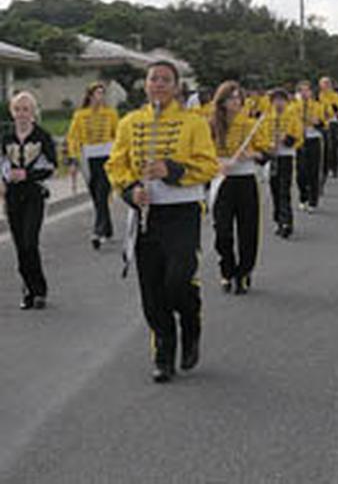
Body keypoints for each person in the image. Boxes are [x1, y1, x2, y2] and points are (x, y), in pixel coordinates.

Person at [106, 61, 219, 383]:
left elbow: (209, 165)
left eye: (166, 80)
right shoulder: (130, 122)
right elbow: (116, 165)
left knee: (178, 279)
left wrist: (172, 169)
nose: (159, 84)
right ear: (146, 84)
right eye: (154, 79)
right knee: (152, 289)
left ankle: (191, 324)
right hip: (146, 215)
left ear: (176, 86)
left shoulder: (193, 123)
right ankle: (164, 353)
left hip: (182, 212)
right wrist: (130, 190)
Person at [209, 81, 271, 295]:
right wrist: (216, 165)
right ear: (222, 101)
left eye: (238, 98)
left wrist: (252, 155)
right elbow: (201, 154)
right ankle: (227, 270)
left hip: (245, 180)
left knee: (248, 230)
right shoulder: (211, 125)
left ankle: (244, 272)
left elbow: (266, 153)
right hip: (221, 182)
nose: (236, 102)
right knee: (222, 231)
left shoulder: (251, 123)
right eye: (231, 98)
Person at [1, 92, 57, 310]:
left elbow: (51, 165)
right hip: (13, 196)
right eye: (18, 109)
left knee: (30, 242)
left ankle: (39, 289)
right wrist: (4, 180)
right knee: (19, 247)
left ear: (33, 112)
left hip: (34, 194)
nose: (22, 114)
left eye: (26, 109)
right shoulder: (6, 137)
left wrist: (28, 175)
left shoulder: (42, 136)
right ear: (12, 112)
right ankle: (28, 288)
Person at [65, 82, 119, 249]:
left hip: (107, 158)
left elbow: (118, 136)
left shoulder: (111, 114)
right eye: (97, 93)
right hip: (88, 159)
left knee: (102, 193)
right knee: (97, 196)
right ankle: (107, 228)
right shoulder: (80, 115)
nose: (100, 97)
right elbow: (73, 138)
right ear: (90, 95)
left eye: (102, 93)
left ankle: (98, 232)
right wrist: (73, 159)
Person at [267, 89, 303, 238]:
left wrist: (285, 138)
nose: (278, 103)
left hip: (286, 156)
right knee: (274, 189)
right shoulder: (267, 117)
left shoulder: (292, 116)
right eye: (275, 100)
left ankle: (286, 221)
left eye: (281, 100)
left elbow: (298, 137)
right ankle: (278, 220)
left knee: (284, 190)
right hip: (272, 157)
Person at [294, 81, 325, 212]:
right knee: (301, 172)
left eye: (307, 90)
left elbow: (324, 124)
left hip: (313, 139)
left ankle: (313, 200)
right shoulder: (294, 107)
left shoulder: (318, 106)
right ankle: (303, 197)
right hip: (300, 141)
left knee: (313, 171)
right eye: (302, 91)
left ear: (311, 92)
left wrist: (316, 122)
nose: (304, 93)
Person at [319, 77, 338, 179]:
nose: (326, 85)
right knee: (324, 148)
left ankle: (334, 167)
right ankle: (324, 168)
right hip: (321, 123)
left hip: (332, 122)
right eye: (324, 83)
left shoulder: (335, 96)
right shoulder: (318, 96)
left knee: (334, 146)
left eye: (328, 83)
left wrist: (335, 111)